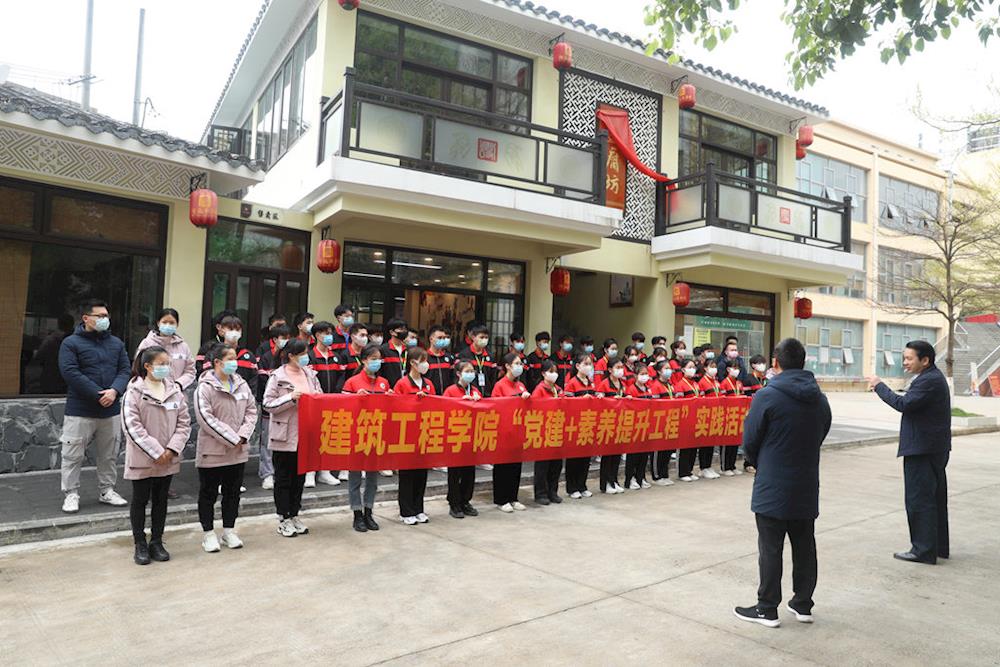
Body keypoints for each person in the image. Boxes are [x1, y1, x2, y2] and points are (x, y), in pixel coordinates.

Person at [735, 338, 831, 628]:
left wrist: (760, 462)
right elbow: (822, 430)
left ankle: (767, 608)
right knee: (804, 545)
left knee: (770, 547)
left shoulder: (767, 395)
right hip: (805, 481)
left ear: (775, 362)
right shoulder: (819, 397)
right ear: (803, 362)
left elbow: (750, 439)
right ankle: (802, 604)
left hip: (772, 483)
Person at [866, 340, 951, 565]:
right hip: (932, 447)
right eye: (904, 358)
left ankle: (923, 550)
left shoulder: (928, 381)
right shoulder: (930, 377)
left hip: (923, 449)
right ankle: (937, 547)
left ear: (925, 360)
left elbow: (903, 404)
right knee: (934, 499)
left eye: (909, 358)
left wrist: (879, 386)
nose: (905, 362)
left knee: (919, 501)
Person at [58, 299, 131, 513]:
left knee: (109, 454)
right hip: (80, 409)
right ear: (86, 318)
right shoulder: (71, 343)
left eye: (106, 316)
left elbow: (125, 370)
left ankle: (107, 490)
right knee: (72, 454)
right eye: (100, 316)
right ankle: (71, 493)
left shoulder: (116, 343)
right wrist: (98, 394)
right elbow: (70, 372)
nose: (105, 320)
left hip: (110, 409)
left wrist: (114, 391)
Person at [121, 345, 190, 565]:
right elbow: (132, 427)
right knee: (140, 500)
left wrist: (171, 450)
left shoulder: (174, 391)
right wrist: (156, 452)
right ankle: (140, 543)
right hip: (143, 458)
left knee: (161, 500)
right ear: (148, 366)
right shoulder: (134, 392)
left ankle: (157, 541)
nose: (166, 368)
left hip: (168, 458)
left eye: (168, 364)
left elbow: (184, 423)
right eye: (161, 364)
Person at [194, 343, 258, 553]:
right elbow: (205, 417)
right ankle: (208, 534)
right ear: (217, 362)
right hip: (212, 450)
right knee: (209, 493)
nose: (234, 363)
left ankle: (229, 530)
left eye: (235, 358)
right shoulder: (205, 387)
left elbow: (251, 411)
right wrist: (232, 437)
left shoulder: (241, 384)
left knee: (232, 493)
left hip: (237, 451)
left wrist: (243, 435)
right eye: (230, 359)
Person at [262, 339, 321, 538]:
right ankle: (283, 517)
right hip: (285, 434)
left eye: (306, 353)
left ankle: (295, 514)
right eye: (302, 354)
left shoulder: (311, 374)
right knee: (283, 478)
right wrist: (290, 398)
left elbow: (320, 397)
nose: (306, 357)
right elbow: (267, 404)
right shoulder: (277, 376)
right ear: (291, 356)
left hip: (306, 433)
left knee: (299, 478)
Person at [341, 344, 390, 533]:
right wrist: (355, 399)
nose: (377, 362)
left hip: (376, 434)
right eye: (373, 359)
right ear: (364, 361)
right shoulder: (352, 382)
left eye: (379, 359)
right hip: (357, 434)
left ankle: (369, 511)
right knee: (355, 478)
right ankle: (357, 513)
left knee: (372, 479)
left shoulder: (384, 382)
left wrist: (391, 398)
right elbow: (342, 408)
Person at [393, 347, 435, 525]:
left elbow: (436, 405)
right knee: (407, 475)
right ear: (412, 363)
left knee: (421, 474)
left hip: (424, 433)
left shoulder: (428, 384)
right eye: (422, 360)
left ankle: (419, 509)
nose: (426, 364)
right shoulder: (402, 384)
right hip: (407, 434)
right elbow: (395, 407)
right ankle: (406, 511)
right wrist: (414, 402)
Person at [491, 352, 530, 512]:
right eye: (516, 364)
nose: (520, 367)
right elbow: (495, 406)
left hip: (518, 431)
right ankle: (501, 499)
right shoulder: (500, 385)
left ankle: (513, 497)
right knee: (503, 467)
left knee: (515, 466)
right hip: (504, 432)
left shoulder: (521, 385)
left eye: (521, 364)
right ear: (507, 366)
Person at [442, 360, 482, 519]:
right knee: (455, 472)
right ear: (458, 374)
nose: (470, 374)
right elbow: (443, 409)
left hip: (471, 436)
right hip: (456, 435)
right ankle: (454, 503)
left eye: (472, 371)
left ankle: (466, 501)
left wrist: (478, 402)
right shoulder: (450, 391)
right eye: (467, 371)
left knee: (469, 472)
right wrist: (460, 403)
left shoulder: (475, 390)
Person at [255, 324, 292, 490]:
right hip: (270, 407)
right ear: (275, 339)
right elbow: (263, 382)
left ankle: (281, 473)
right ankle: (267, 474)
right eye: (283, 338)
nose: (286, 341)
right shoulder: (266, 358)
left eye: (288, 337)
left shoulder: (290, 358)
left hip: (289, 408)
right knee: (267, 441)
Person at [135, 308, 196, 391]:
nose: (168, 325)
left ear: (177, 324)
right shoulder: (147, 343)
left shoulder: (183, 346)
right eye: (164, 322)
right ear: (158, 323)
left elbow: (190, 371)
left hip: (177, 393)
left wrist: (179, 384)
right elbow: (138, 368)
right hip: (151, 392)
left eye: (172, 323)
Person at [564, 352, 597, 499]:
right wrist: (581, 399)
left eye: (590, 364)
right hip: (575, 424)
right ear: (577, 366)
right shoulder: (572, 383)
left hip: (588, 423)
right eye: (586, 364)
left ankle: (582, 485)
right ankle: (572, 487)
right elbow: (567, 403)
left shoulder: (591, 382)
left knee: (585, 457)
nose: (588, 367)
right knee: (574, 458)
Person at [531, 359, 564, 505]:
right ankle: (540, 493)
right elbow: (534, 410)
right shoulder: (539, 390)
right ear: (543, 373)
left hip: (557, 430)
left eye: (556, 371)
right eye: (551, 372)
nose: (554, 374)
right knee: (542, 465)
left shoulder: (558, 389)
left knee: (556, 464)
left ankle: (553, 491)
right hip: (543, 431)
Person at [595, 358, 628, 494]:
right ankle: (606, 483)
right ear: (609, 370)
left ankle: (614, 481)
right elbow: (600, 402)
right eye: (617, 367)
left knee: (617, 454)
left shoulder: (622, 384)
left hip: (620, 422)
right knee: (607, 455)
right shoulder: (604, 384)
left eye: (621, 367)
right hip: (607, 422)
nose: (620, 370)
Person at [624, 366, 659, 489]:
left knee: (644, 454)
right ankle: (630, 478)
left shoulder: (648, 389)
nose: (645, 376)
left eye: (646, 374)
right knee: (633, 454)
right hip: (635, 425)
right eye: (642, 374)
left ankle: (641, 477)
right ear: (635, 375)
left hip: (647, 424)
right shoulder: (631, 389)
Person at [674, 358, 705, 483]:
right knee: (684, 447)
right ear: (683, 369)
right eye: (689, 367)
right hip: (685, 419)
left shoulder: (695, 384)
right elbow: (679, 403)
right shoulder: (680, 385)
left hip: (696, 418)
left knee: (693, 447)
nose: (692, 369)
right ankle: (682, 472)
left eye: (693, 367)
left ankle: (689, 470)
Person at [648, 360, 677, 486]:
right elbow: (655, 405)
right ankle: (657, 476)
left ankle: (665, 474)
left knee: (667, 450)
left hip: (670, 420)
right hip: (659, 422)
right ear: (659, 371)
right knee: (657, 450)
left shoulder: (670, 385)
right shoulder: (656, 386)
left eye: (670, 368)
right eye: (666, 368)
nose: (669, 371)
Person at [694, 359, 722, 480]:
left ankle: (708, 466)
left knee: (711, 442)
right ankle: (703, 467)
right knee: (704, 442)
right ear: (705, 368)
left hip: (715, 414)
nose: (714, 369)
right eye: (711, 366)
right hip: (705, 415)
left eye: (715, 366)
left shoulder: (716, 381)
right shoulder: (702, 382)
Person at [718, 359, 745, 477]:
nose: (736, 370)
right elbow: (722, 400)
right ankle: (725, 467)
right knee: (726, 442)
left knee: (735, 442)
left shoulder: (739, 383)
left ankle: (732, 465)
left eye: (738, 368)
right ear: (728, 369)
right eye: (734, 368)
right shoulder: (724, 383)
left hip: (737, 416)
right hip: (727, 416)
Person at [457, 324, 496, 397]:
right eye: (481, 337)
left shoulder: (490, 356)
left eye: (486, 337)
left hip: (487, 395)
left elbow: (493, 377)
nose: (484, 340)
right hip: (470, 395)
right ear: (473, 337)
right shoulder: (464, 354)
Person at [425, 325, 455, 396]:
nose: (442, 340)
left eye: (444, 338)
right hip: (430, 396)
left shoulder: (449, 358)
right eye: (439, 338)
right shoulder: (424, 357)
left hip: (447, 397)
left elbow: (453, 377)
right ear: (431, 339)